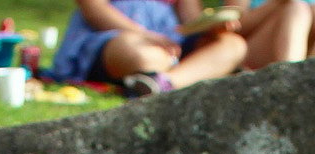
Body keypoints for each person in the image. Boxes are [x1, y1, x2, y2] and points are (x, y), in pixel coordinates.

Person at [50, 0, 247, 97]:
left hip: (170, 41)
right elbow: (94, 10)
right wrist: (143, 35)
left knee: (234, 45)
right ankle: (168, 77)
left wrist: (210, 26)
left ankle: (163, 83)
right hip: (116, 34)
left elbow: (190, 21)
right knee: (147, 57)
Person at [232, 0, 315, 67]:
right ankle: (290, 76)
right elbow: (234, 26)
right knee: (297, 7)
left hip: (305, 47)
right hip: (251, 51)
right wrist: (276, 3)